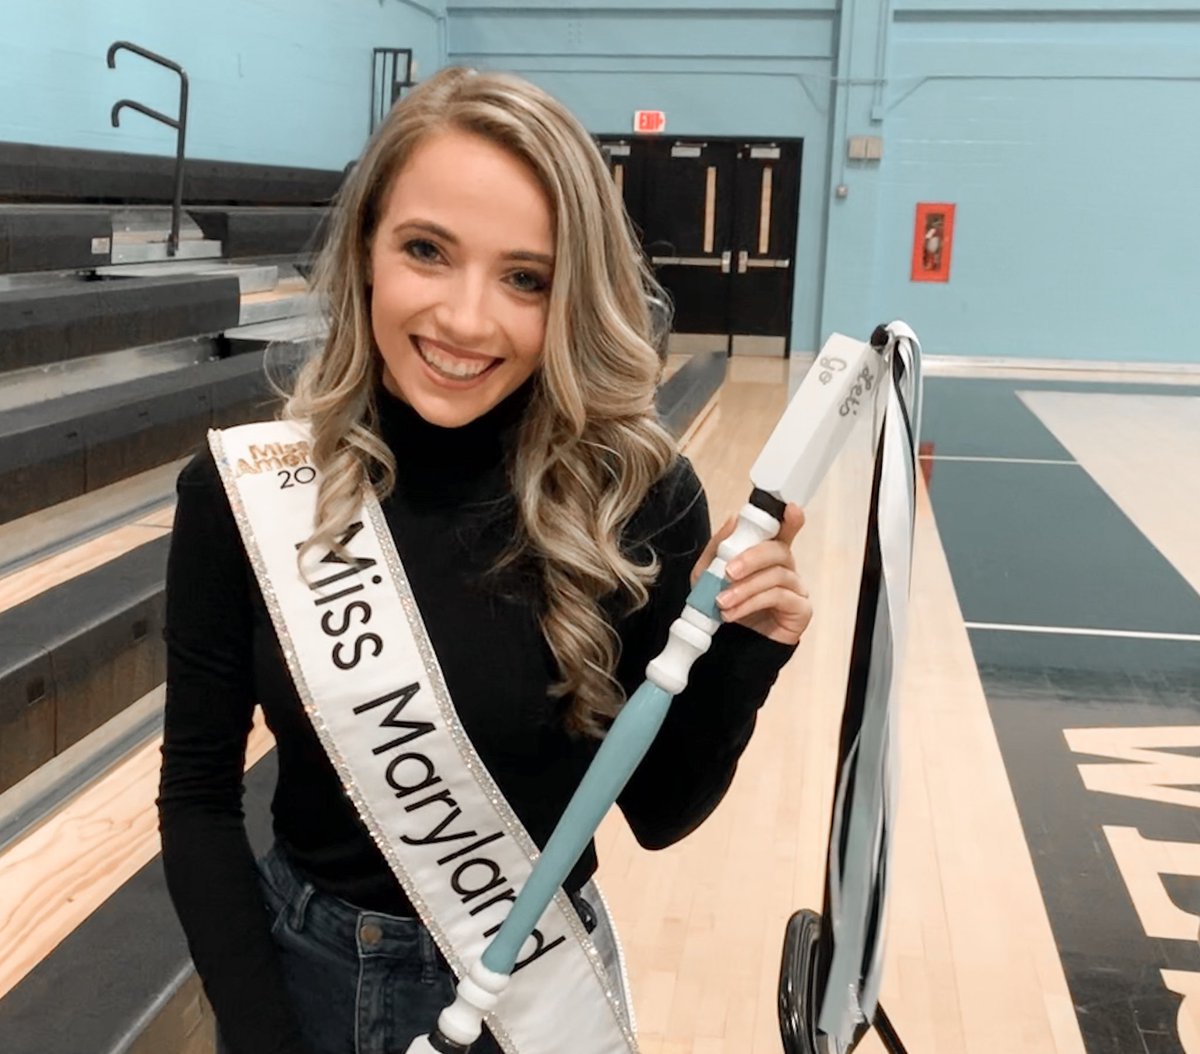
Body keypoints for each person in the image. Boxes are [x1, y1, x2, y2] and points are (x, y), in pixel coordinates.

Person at [157, 66, 812, 1054]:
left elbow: (661, 812)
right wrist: (261, 1035)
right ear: (367, 248)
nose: (466, 321)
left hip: (539, 994)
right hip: (312, 983)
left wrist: (745, 651)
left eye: (525, 278)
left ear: (573, 293)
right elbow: (198, 796)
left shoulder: (638, 496)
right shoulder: (242, 495)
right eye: (427, 250)